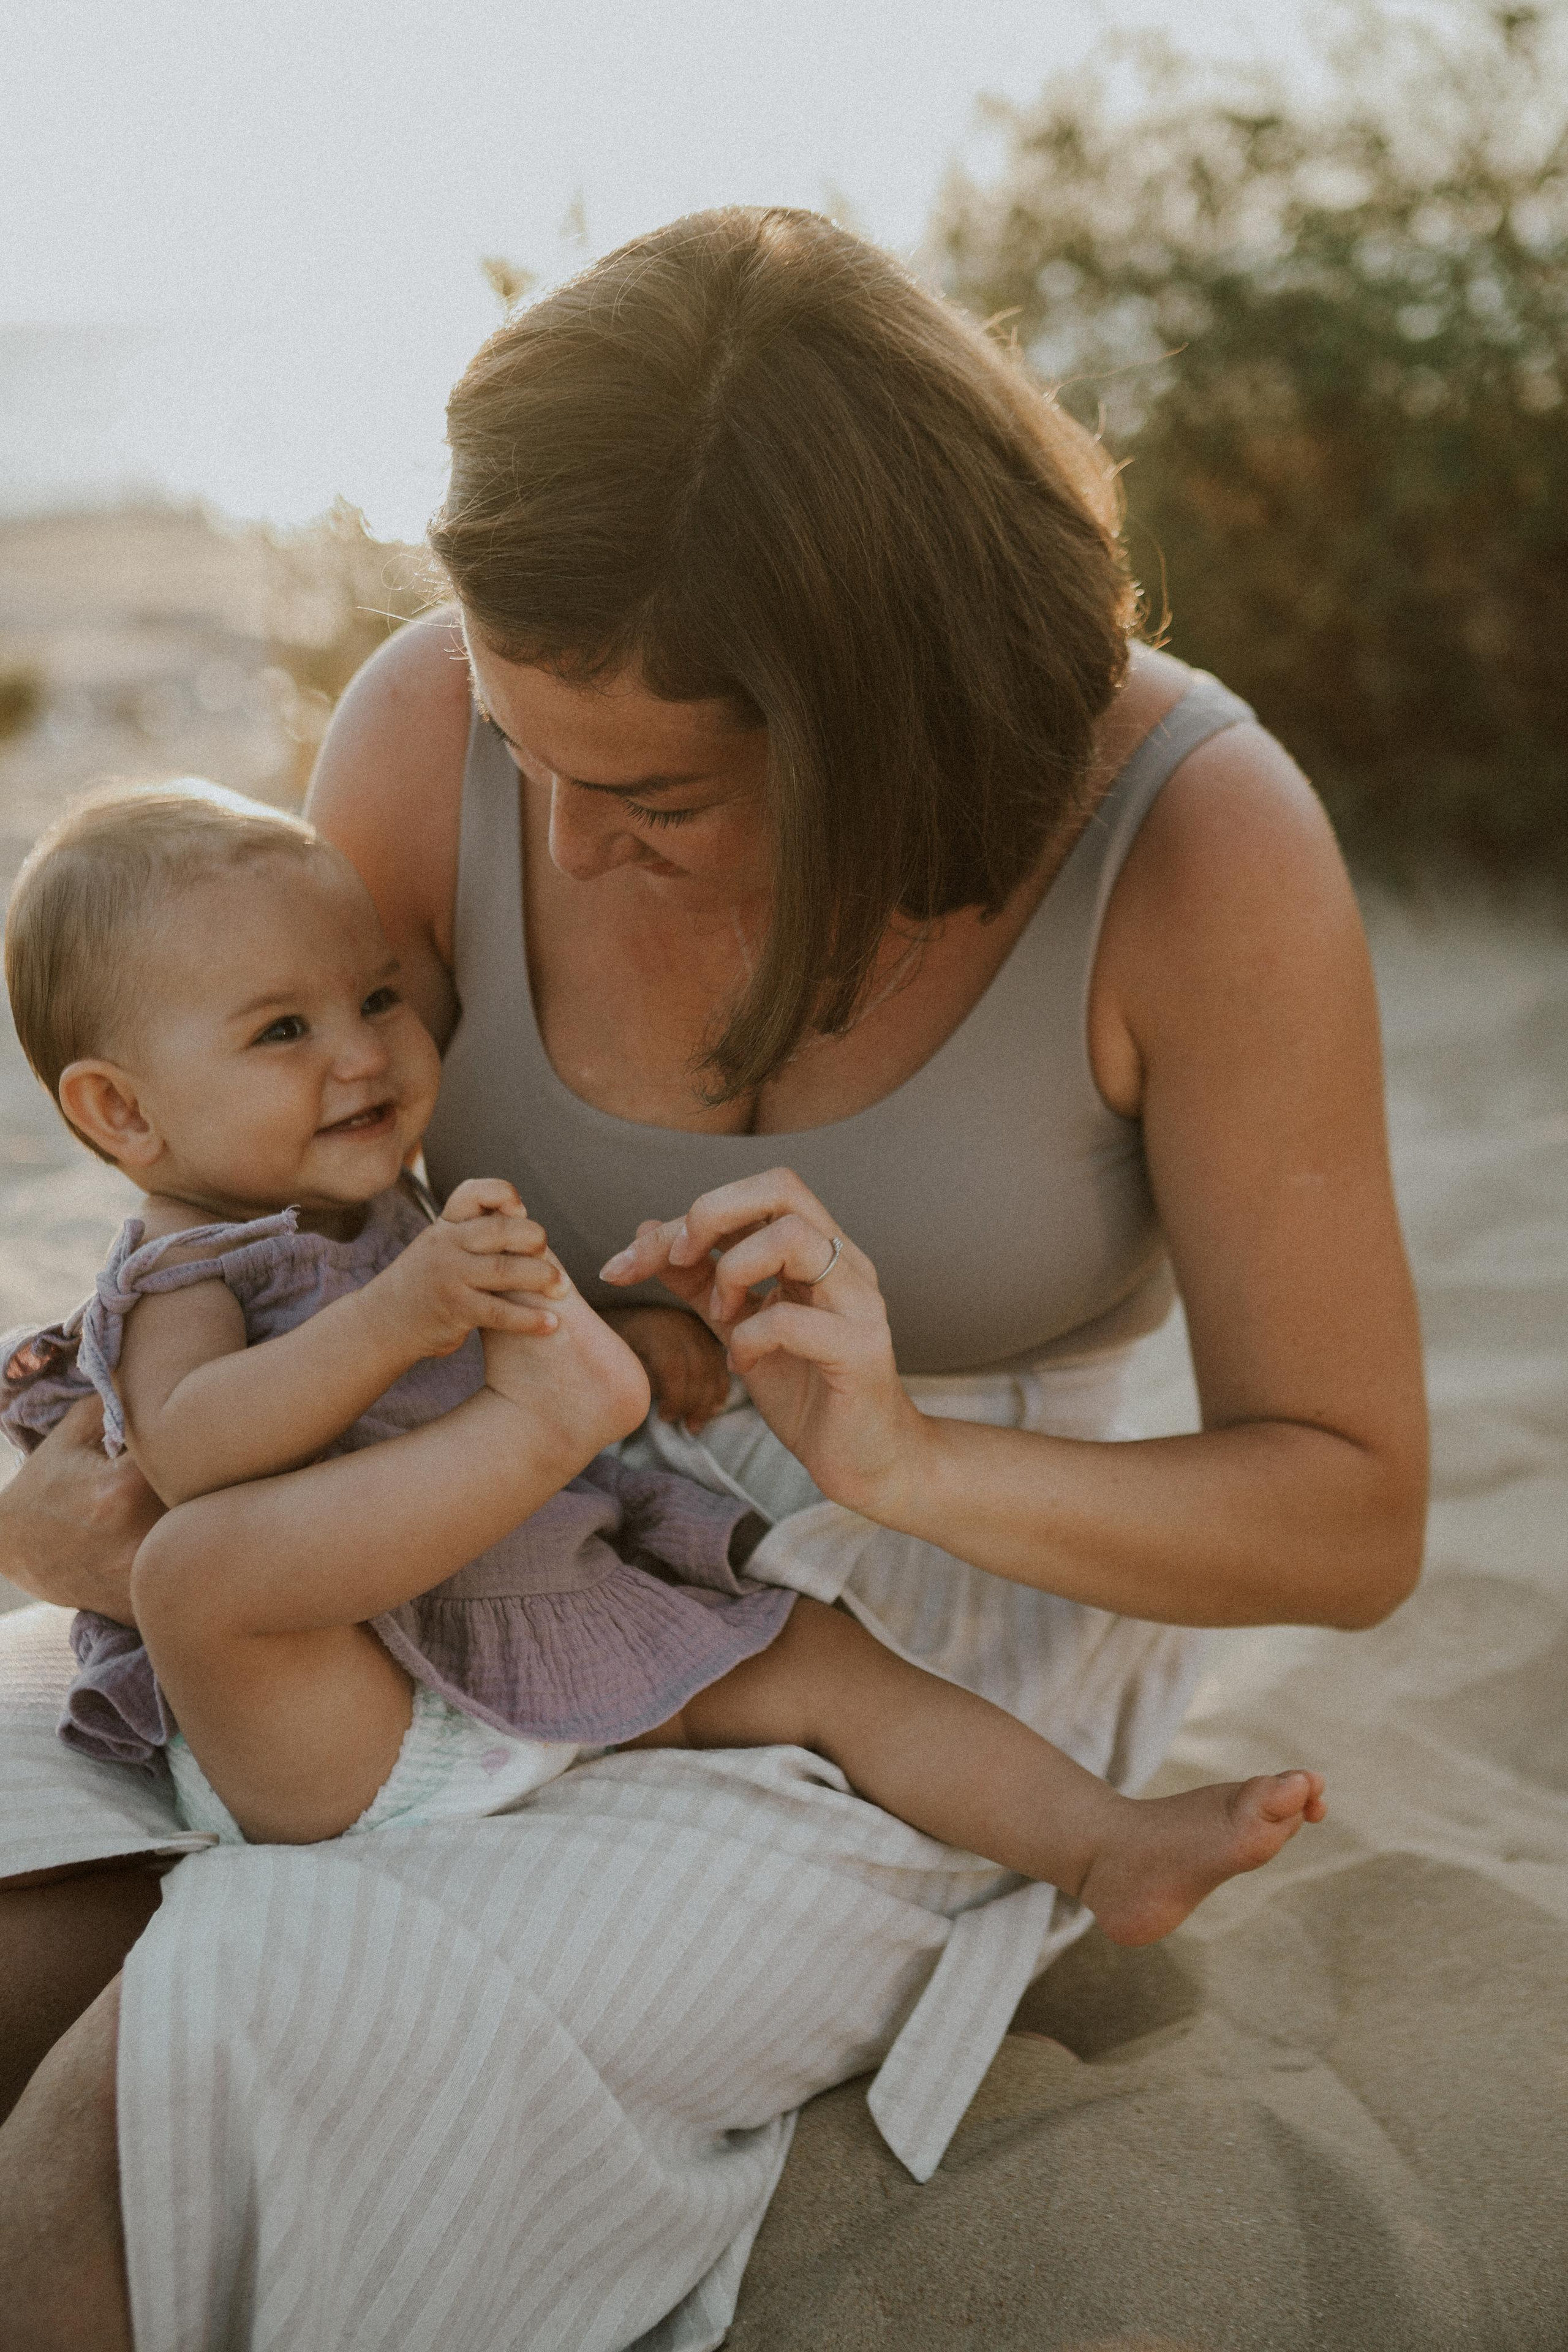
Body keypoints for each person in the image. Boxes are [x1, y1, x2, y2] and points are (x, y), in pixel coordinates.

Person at [0, 208, 1426, 2352]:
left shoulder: (1198, 846)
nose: (558, 845)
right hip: (411, 1530)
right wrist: (57, 1503)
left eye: (652, 793)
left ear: (888, 725)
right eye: (524, 749)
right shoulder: (430, 728)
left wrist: (900, 1456)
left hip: (912, 1628)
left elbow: (1352, 1513)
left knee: (170, 2094)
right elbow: (254, 1220)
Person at [4, 787, 1324, 1909]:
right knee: (194, 1570)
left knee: (822, 1660)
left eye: (379, 997)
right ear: (122, 1113)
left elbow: (440, 1367)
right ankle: (545, 1423)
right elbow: (188, 1447)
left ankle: (1102, 1846)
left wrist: (636, 1336)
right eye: (283, 1031)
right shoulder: (187, 1269)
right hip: (347, 1720)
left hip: (538, 1615)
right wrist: (401, 1316)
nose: (361, 1055)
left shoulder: (376, 1209)